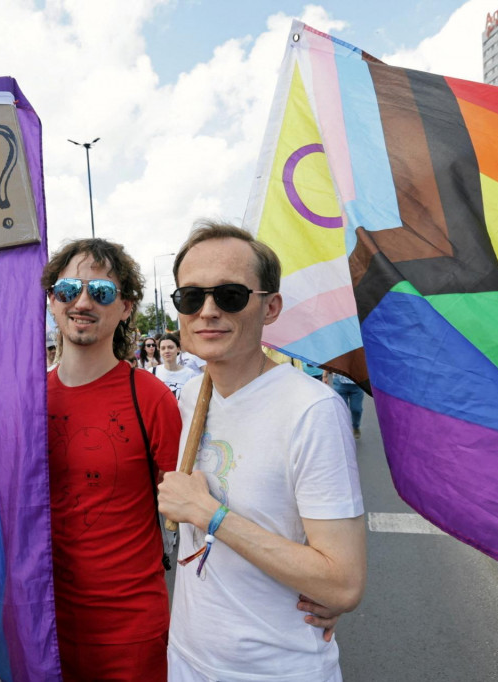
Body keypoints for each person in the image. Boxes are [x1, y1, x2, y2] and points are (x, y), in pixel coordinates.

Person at [158, 221, 366, 682]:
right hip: (189, 661)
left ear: (270, 307)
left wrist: (210, 515)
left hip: (277, 669)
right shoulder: (193, 395)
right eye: (191, 297)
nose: (207, 311)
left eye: (230, 295)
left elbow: (343, 582)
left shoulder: (311, 409)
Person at [42, 238, 181, 681]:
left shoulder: (152, 399)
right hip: (41, 627)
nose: (82, 302)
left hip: (131, 632)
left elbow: (193, 515)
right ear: (52, 300)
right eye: (68, 289)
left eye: (100, 292)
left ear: (126, 307)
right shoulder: (24, 399)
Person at [150, 333, 198, 400]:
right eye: (163, 348)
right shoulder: (152, 372)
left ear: (178, 349)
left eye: (170, 347)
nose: (167, 351)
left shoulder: (190, 374)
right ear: (159, 351)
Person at [325, 370, 364, 439]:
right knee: (342, 410)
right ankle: (344, 431)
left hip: (357, 384)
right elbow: (330, 359)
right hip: (340, 383)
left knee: (356, 409)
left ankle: (356, 426)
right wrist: (325, 375)